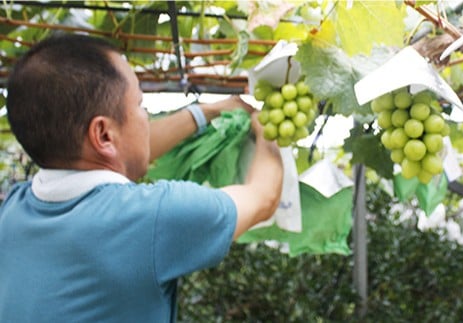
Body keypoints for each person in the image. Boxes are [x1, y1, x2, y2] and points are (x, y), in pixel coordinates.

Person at [0, 33, 283, 323]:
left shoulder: (13, 210)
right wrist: (267, 133)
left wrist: (209, 111)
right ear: (104, 134)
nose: (146, 117)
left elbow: (122, 154)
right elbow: (263, 197)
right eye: (139, 103)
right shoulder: (152, 216)